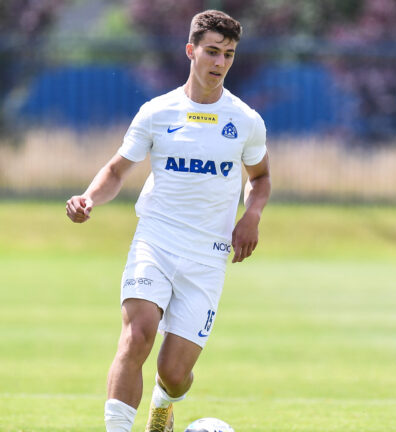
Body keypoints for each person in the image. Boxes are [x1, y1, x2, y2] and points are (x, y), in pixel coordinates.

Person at [65, 10, 271, 432]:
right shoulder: (157, 112)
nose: (219, 63)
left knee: (174, 373)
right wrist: (88, 198)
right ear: (191, 50)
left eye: (228, 55)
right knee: (137, 333)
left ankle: (164, 403)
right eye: (212, 52)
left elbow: (261, 178)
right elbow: (118, 170)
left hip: (208, 257)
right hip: (155, 243)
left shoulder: (245, 121)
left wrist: (251, 214)